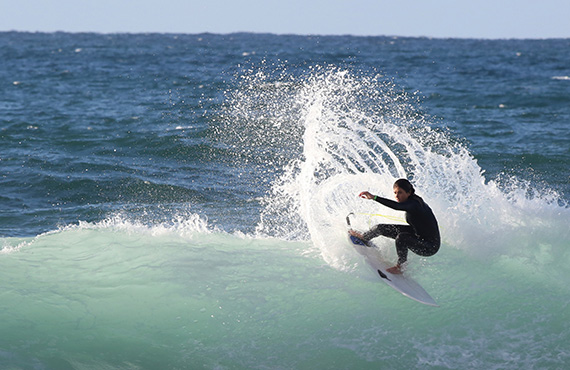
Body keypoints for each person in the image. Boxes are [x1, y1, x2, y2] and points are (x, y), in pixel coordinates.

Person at [349, 179, 440, 274]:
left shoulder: (414, 204)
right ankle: (364, 237)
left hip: (429, 246)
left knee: (402, 238)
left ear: (409, 193)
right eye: (395, 192)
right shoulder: (411, 201)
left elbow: (396, 206)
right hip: (417, 233)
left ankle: (401, 267)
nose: (396, 196)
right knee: (380, 228)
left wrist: (374, 197)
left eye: (400, 192)